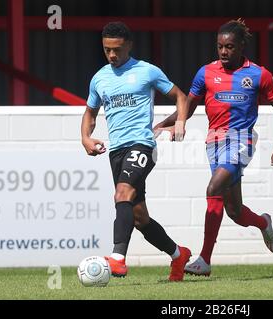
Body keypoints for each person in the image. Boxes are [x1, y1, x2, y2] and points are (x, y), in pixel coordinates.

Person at [154, 19, 273, 276]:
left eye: (229, 46)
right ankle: (264, 222)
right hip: (214, 141)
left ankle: (204, 259)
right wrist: (163, 124)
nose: (224, 52)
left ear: (241, 46)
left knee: (213, 187)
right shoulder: (206, 73)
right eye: (220, 47)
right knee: (235, 212)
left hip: (242, 141)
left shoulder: (259, 74)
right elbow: (189, 106)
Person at [81, 21, 191, 281]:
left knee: (121, 193)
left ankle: (118, 258)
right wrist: (85, 137)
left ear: (129, 45)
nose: (112, 55)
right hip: (116, 151)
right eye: (107, 49)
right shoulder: (99, 78)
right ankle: (179, 255)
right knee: (139, 218)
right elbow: (90, 112)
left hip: (142, 144)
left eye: (117, 49)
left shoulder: (147, 71)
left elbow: (181, 96)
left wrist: (180, 122)